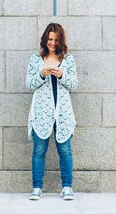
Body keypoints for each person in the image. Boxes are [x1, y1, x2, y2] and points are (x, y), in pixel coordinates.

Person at [26, 23, 78, 201]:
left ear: (60, 41)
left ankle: (67, 187)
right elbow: (29, 84)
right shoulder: (35, 59)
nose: (52, 43)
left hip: (63, 111)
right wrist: (42, 73)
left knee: (65, 150)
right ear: (45, 39)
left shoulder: (68, 59)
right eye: (49, 39)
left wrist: (61, 74)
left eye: (56, 40)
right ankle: (37, 187)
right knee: (39, 149)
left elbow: (74, 84)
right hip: (42, 111)